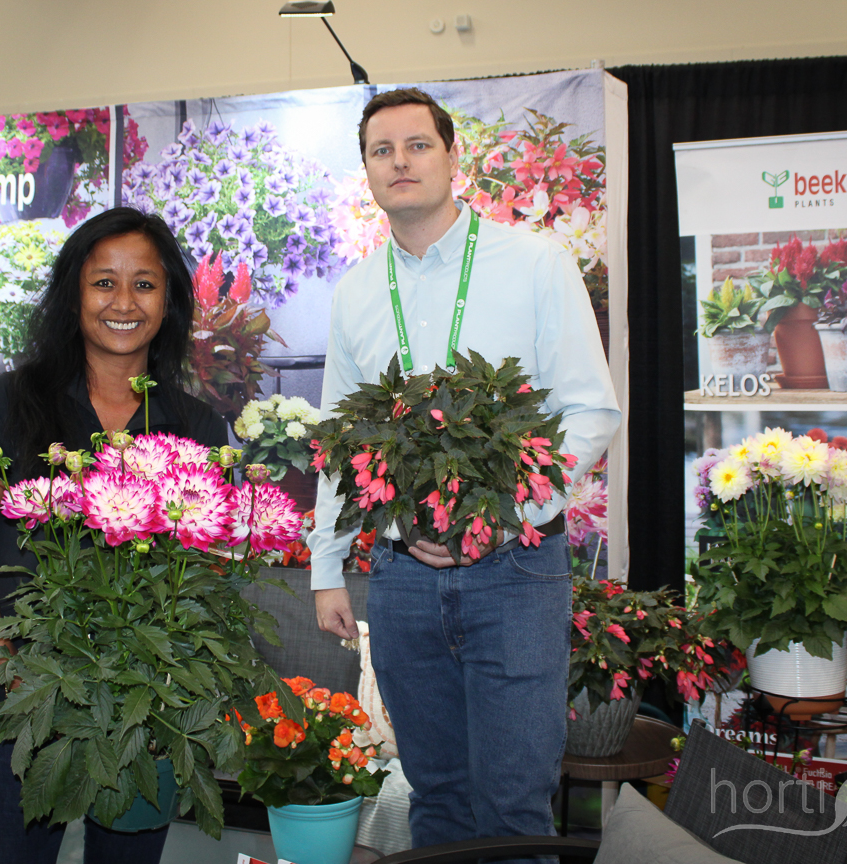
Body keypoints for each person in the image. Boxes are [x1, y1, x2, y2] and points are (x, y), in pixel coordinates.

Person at [309, 89, 621, 845]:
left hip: (514, 569)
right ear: (367, 171)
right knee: (436, 799)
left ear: (452, 158)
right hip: (401, 574)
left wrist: (503, 515)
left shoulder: (535, 263)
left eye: (417, 145)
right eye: (382, 151)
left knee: (514, 809)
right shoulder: (356, 292)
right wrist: (327, 565)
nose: (400, 162)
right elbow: (341, 441)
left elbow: (591, 410)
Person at [0, 207, 227, 864]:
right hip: (24, 699)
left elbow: (201, 578)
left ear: (168, 301)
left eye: (144, 284)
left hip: (142, 715)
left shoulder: (196, 426)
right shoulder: (12, 401)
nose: (124, 302)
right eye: (104, 282)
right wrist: (15, 675)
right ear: (73, 295)